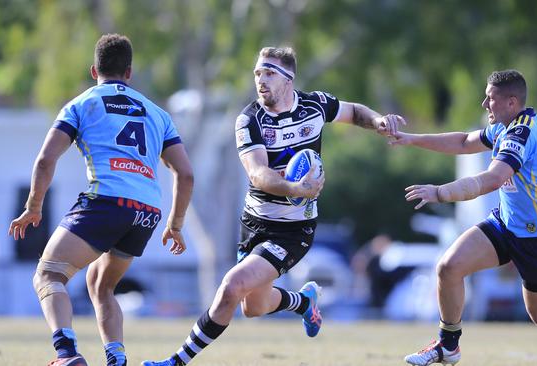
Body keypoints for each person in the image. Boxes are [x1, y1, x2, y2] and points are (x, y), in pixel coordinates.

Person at [142, 46, 405, 366]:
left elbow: (354, 112)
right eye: (257, 73)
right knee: (253, 307)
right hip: (255, 223)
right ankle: (303, 302)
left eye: (269, 73)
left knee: (230, 288)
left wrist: (378, 121)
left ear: (288, 80)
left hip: (293, 230)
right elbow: (258, 173)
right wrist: (296, 188)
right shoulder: (249, 119)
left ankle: (177, 361)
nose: (260, 80)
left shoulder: (315, 106)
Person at [8, 34, 194, 366]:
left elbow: (45, 161)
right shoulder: (157, 114)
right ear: (130, 73)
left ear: (94, 71)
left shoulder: (83, 103)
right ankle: (116, 358)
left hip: (106, 203)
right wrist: (175, 225)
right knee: (100, 284)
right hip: (146, 213)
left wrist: (33, 207)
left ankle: (66, 354)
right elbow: (185, 173)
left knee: (49, 275)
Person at [390, 70, 537, 366]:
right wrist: (411, 139)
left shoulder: (521, 132)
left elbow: (492, 179)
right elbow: (463, 142)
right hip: (506, 225)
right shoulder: (503, 126)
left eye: (491, 98)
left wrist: (440, 192)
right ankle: (448, 346)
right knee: (449, 268)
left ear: (512, 102)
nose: (484, 103)